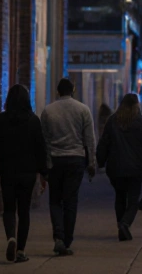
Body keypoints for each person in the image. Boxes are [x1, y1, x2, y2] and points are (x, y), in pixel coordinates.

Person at [0, 84, 47, 263]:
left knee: (8, 208)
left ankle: (10, 238)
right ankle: (21, 250)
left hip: (7, 170)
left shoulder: (0, 120)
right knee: (24, 211)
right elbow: (40, 149)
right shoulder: (33, 121)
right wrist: (43, 174)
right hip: (28, 172)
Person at [40, 78, 97, 257]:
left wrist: (46, 164)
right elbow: (89, 139)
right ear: (73, 90)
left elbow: (45, 140)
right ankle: (67, 240)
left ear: (58, 92)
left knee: (55, 200)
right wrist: (91, 162)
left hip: (56, 160)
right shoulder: (83, 110)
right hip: (75, 160)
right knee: (70, 201)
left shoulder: (48, 111)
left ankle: (58, 236)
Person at [96, 93, 142, 241]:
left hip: (116, 168)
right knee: (134, 199)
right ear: (136, 105)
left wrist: (100, 161)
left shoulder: (112, 121)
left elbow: (104, 144)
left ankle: (120, 225)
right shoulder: (141, 123)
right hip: (136, 168)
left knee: (120, 196)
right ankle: (125, 223)